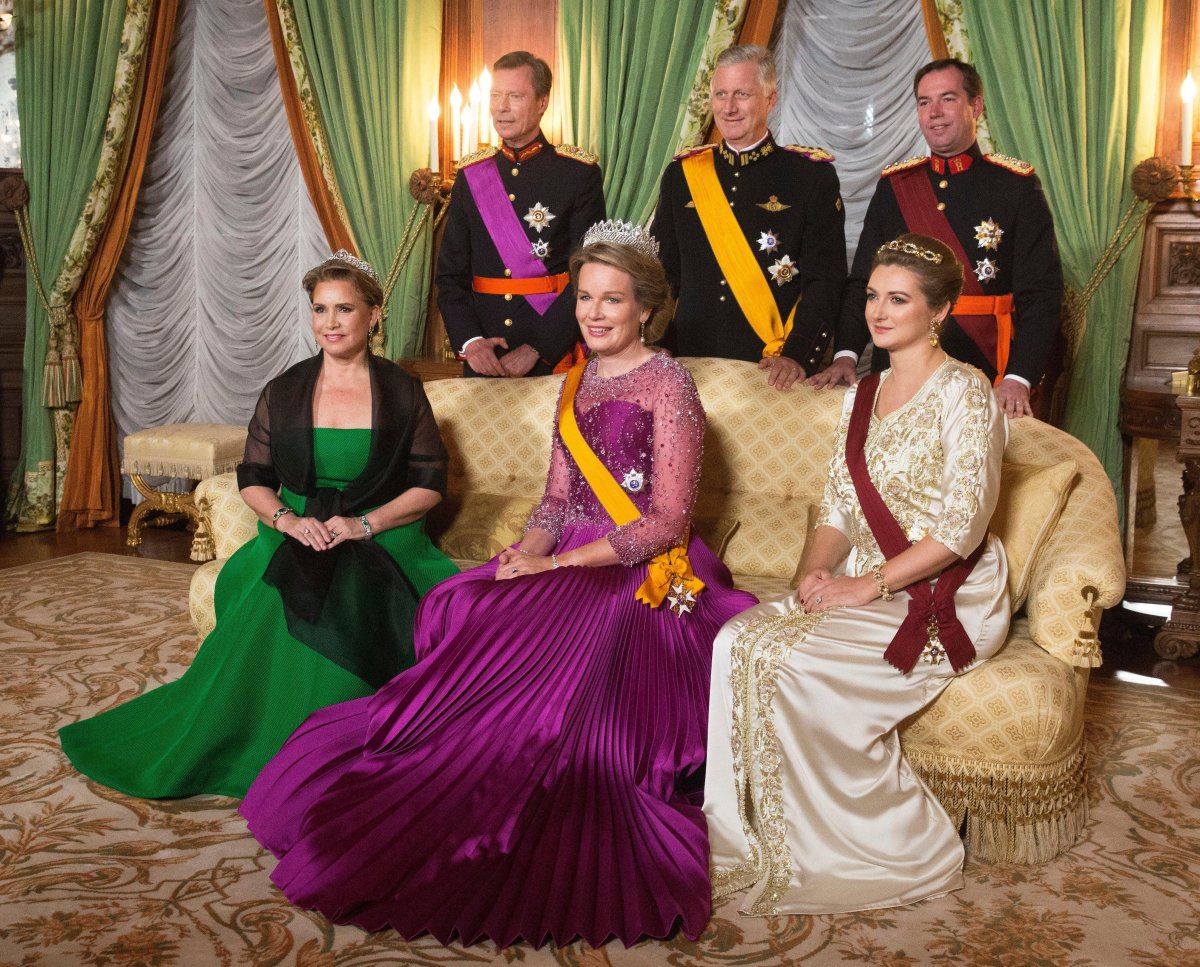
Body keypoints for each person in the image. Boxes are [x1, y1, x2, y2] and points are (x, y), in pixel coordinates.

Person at [240, 221, 759, 947]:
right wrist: (529, 553)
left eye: (613, 300)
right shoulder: (574, 381)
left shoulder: (670, 383)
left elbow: (667, 521)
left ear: (646, 307)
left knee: (573, 675)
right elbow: (554, 499)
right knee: (468, 600)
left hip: (644, 571)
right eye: (585, 297)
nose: (595, 313)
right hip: (567, 551)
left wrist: (557, 566)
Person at [59, 252, 458, 798]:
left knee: (356, 587)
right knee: (283, 587)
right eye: (320, 309)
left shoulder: (403, 391)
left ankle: (342, 754)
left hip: (381, 533)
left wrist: (361, 525)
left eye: (345, 309)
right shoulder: (285, 388)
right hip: (292, 529)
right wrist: (289, 522)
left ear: (373, 316)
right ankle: (255, 747)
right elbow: (253, 477)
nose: (331, 322)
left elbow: (429, 484)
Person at [705, 233, 1010, 915]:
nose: (877, 309)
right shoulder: (862, 393)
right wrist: (811, 576)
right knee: (735, 642)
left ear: (940, 310)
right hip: (867, 571)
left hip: (946, 590)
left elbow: (961, 527)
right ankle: (746, 835)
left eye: (897, 298)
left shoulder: (966, 392)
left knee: (793, 661)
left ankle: (880, 840)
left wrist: (860, 587)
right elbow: (840, 503)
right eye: (872, 295)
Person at [811, 58, 1063, 420]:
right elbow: (862, 284)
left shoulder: (1015, 186)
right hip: (899, 368)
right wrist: (846, 354)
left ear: (975, 106)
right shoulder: (895, 186)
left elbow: (1041, 293)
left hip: (986, 365)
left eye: (947, 99)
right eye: (924, 102)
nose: (935, 113)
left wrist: (1018, 377)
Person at [652, 44, 846, 390]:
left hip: (772, 365)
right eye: (720, 94)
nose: (728, 108)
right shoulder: (682, 175)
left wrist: (797, 355)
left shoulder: (809, 177)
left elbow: (824, 280)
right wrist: (655, 344)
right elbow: (664, 276)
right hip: (687, 361)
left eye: (742, 94)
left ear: (770, 100)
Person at [436, 50, 606, 378]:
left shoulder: (577, 174)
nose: (501, 107)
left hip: (551, 355)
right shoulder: (471, 175)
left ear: (542, 102)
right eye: (496, 96)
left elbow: (589, 274)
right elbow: (450, 278)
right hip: (482, 355)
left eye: (515, 96)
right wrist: (471, 342)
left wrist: (539, 348)